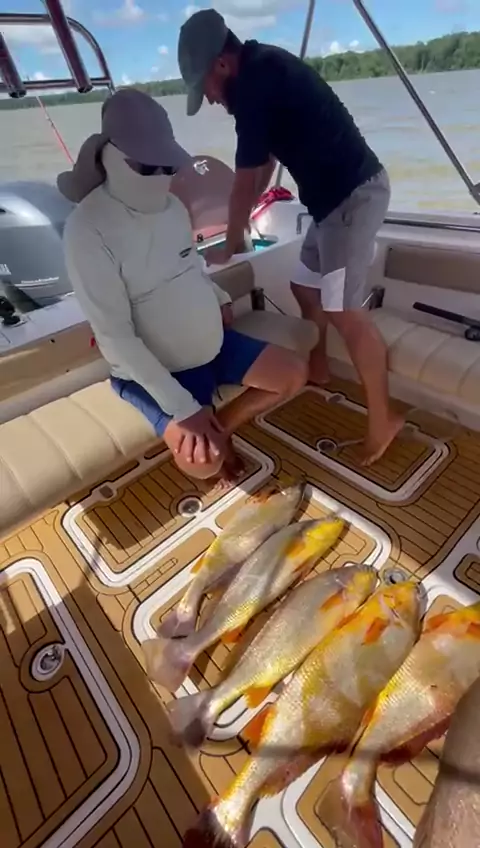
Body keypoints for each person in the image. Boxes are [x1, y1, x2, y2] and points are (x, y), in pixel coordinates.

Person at [177, 9, 404, 466]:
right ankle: (318, 368)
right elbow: (261, 166)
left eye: (208, 88)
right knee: (303, 286)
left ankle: (383, 420)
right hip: (329, 205)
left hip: (351, 200)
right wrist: (241, 224)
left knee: (344, 311)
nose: (212, 99)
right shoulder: (262, 67)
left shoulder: (254, 86)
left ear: (222, 63)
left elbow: (244, 180)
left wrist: (232, 241)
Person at [59, 89, 307, 485]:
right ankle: (212, 438)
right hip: (161, 368)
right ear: (108, 154)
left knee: (293, 373)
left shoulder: (174, 207)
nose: (161, 176)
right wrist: (183, 409)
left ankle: (219, 430)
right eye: (147, 166)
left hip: (215, 344)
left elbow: (191, 264)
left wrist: (219, 297)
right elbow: (114, 335)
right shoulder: (86, 229)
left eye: (167, 166)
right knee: (204, 465)